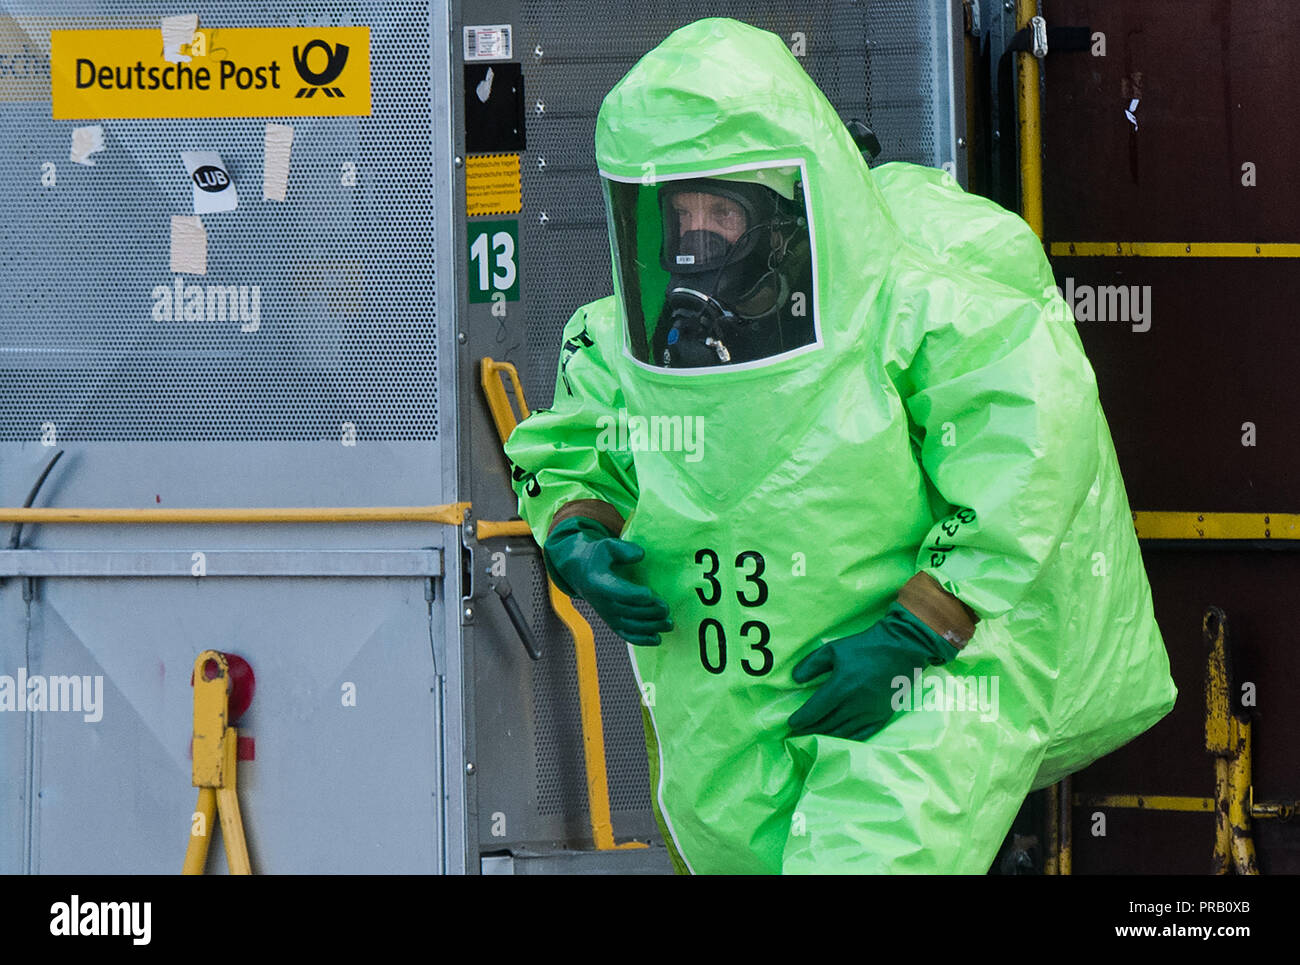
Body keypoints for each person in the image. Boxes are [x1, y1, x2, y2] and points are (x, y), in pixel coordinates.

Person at [504, 18, 1176, 874]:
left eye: (723, 212)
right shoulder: (621, 345)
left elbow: (1029, 452)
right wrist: (578, 536)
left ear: (782, 218)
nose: (697, 241)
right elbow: (575, 450)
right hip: (730, 692)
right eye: (682, 213)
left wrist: (920, 629)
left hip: (922, 675)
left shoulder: (923, 318)